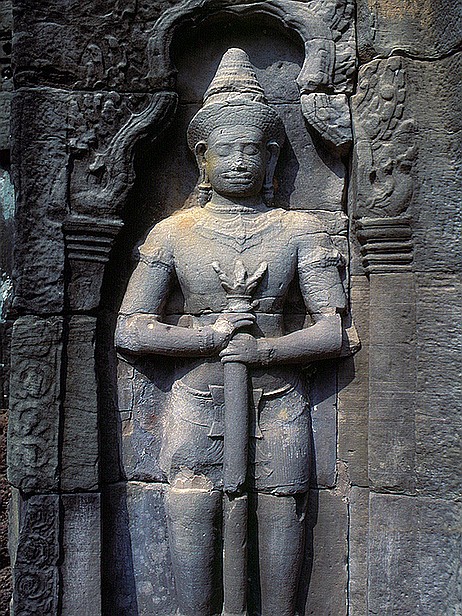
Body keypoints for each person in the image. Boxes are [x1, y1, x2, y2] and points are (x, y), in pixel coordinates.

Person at [116, 48, 346, 616]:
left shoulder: (298, 229)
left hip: (278, 402)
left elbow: (332, 332)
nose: (239, 162)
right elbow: (130, 329)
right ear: (202, 157)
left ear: (272, 157)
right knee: (192, 514)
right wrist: (209, 337)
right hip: (196, 400)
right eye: (226, 150)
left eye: (252, 150)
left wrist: (263, 349)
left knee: (282, 513)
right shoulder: (174, 233)